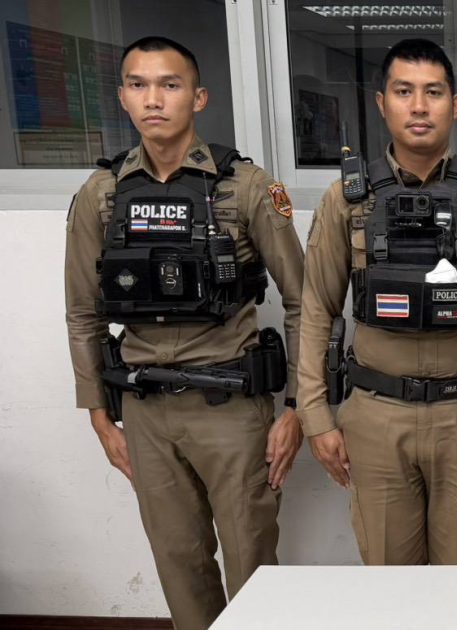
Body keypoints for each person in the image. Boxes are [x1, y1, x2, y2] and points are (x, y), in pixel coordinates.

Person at [64, 36, 304, 629]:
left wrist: (299, 407)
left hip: (232, 408)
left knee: (252, 564)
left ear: (197, 97)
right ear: (122, 97)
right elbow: (83, 313)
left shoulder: (244, 186)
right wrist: (99, 415)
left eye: (169, 85)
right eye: (139, 85)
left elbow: (305, 303)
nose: (154, 99)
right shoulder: (102, 195)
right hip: (145, 411)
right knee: (179, 564)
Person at [298, 38, 457, 565]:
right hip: (377, 416)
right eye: (403, 91)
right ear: (381, 102)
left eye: (433, 92)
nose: (418, 106)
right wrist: (315, 416)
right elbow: (317, 309)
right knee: (392, 583)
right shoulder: (347, 200)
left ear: (455, 105)